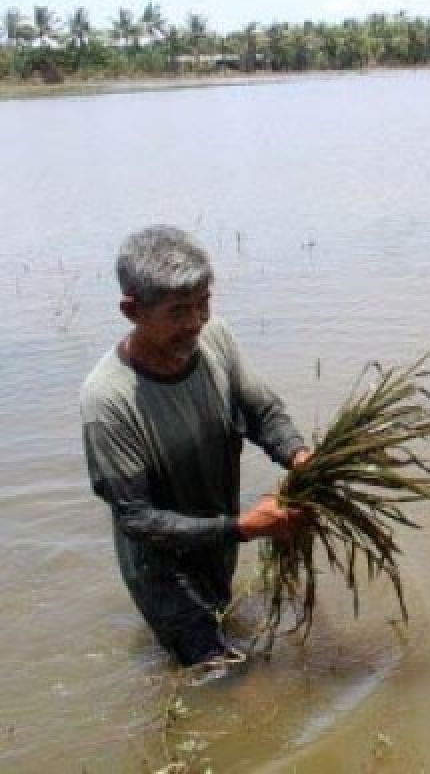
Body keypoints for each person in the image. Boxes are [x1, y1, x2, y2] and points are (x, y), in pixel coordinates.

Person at [81, 225, 311, 667]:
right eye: (178, 311)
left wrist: (299, 456)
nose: (195, 323)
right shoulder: (107, 400)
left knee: (226, 646)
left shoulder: (216, 339)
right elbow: (138, 519)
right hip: (162, 574)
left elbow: (260, 410)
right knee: (225, 682)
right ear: (132, 310)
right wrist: (242, 528)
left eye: (203, 304)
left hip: (217, 545)